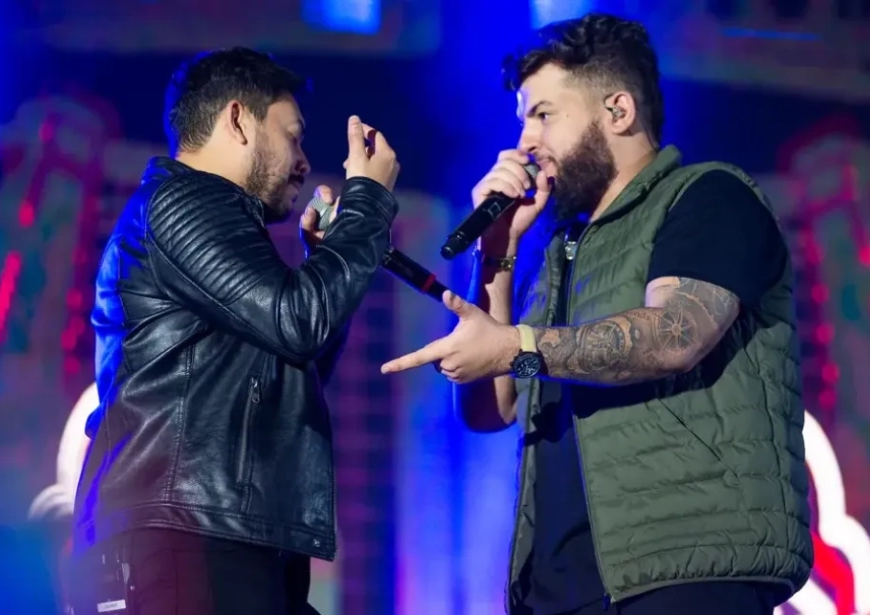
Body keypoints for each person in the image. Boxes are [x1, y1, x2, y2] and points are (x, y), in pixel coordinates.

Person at [381, 13, 812, 615]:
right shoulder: (560, 253)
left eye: (543, 115)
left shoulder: (708, 195)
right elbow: (490, 409)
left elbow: (674, 335)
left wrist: (516, 345)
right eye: (523, 120)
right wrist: (498, 251)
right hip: (562, 589)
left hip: (683, 572)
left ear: (618, 111)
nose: (524, 142)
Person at [70, 47, 400, 615]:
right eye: (293, 136)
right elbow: (298, 322)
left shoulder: (201, 217)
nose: (304, 161)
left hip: (217, 532)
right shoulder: (185, 199)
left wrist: (327, 261)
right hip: (185, 536)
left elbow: (294, 362)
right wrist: (369, 201)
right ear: (238, 119)